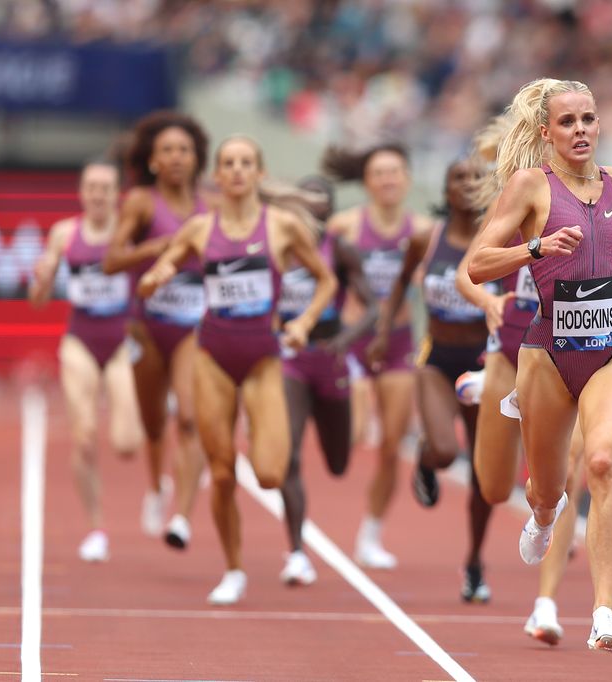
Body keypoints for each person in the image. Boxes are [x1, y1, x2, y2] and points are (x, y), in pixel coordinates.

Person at [467, 78, 612, 653]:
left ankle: (604, 614)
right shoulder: (529, 187)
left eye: (588, 119)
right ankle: (544, 516)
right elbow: (477, 265)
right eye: (567, 122)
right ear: (546, 133)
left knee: (600, 461)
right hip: (546, 355)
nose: (581, 131)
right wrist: (537, 248)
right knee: (548, 489)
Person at [138, 136, 338, 605]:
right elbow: (156, 274)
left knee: (269, 474)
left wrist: (305, 322)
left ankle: (255, 457)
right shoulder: (199, 230)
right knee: (223, 473)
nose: (236, 171)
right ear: (218, 174)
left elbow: (326, 281)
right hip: (212, 357)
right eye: (227, 164)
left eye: (245, 163)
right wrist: (154, 278)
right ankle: (233, 569)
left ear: (259, 173)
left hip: (264, 358)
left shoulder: (283, 226)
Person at [455, 114, 587, 643]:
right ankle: (482, 385)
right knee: (491, 485)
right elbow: (471, 270)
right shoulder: (516, 202)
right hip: (511, 349)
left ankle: (546, 605)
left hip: (571, 349)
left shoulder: (594, 198)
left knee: (570, 470)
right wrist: (490, 299)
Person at [369, 159, 495, 602]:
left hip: (487, 364)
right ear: (446, 188)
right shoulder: (427, 238)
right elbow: (399, 287)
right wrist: (383, 335)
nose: (468, 184)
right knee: (445, 449)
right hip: (437, 358)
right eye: (458, 177)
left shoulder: (503, 239)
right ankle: (425, 460)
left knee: (484, 474)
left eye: (477, 176)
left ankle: (475, 563)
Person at [324, 144, 435, 569]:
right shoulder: (345, 227)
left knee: (392, 443)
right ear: (367, 182)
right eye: (379, 173)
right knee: (352, 437)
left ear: (407, 179)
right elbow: (323, 281)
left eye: (395, 172)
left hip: (400, 342)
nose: (388, 180)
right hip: (351, 341)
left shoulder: (423, 230)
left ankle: (370, 534)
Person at [103, 111, 210, 550]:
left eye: (184, 150)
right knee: (152, 424)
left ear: (196, 157)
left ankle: (182, 518)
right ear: (152, 160)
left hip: (194, 327)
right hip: (147, 327)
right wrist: (158, 248)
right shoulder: (142, 203)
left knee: (188, 418)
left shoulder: (213, 205)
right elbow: (111, 259)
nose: (176, 158)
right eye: (167, 150)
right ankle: (155, 487)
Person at [28, 160, 144, 562]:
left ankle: (154, 416)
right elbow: (38, 303)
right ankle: (96, 528)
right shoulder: (65, 233)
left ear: (116, 194)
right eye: (91, 187)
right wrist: (41, 281)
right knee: (84, 437)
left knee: (127, 444)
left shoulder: (128, 233)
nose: (97, 194)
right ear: (81, 192)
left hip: (119, 340)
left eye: (105, 188)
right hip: (80, 337)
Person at [276, 176, 378, 586]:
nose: (313, 206)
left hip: (329, 358)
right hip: (289, 360)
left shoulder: (339, 250)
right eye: (307, 198)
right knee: (289, 455)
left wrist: (345, 340)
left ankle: (298, 549)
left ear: (331, 209)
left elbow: (373, 308)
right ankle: (297, 552)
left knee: (337, 463)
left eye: (322, 199)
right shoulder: (275, 248)